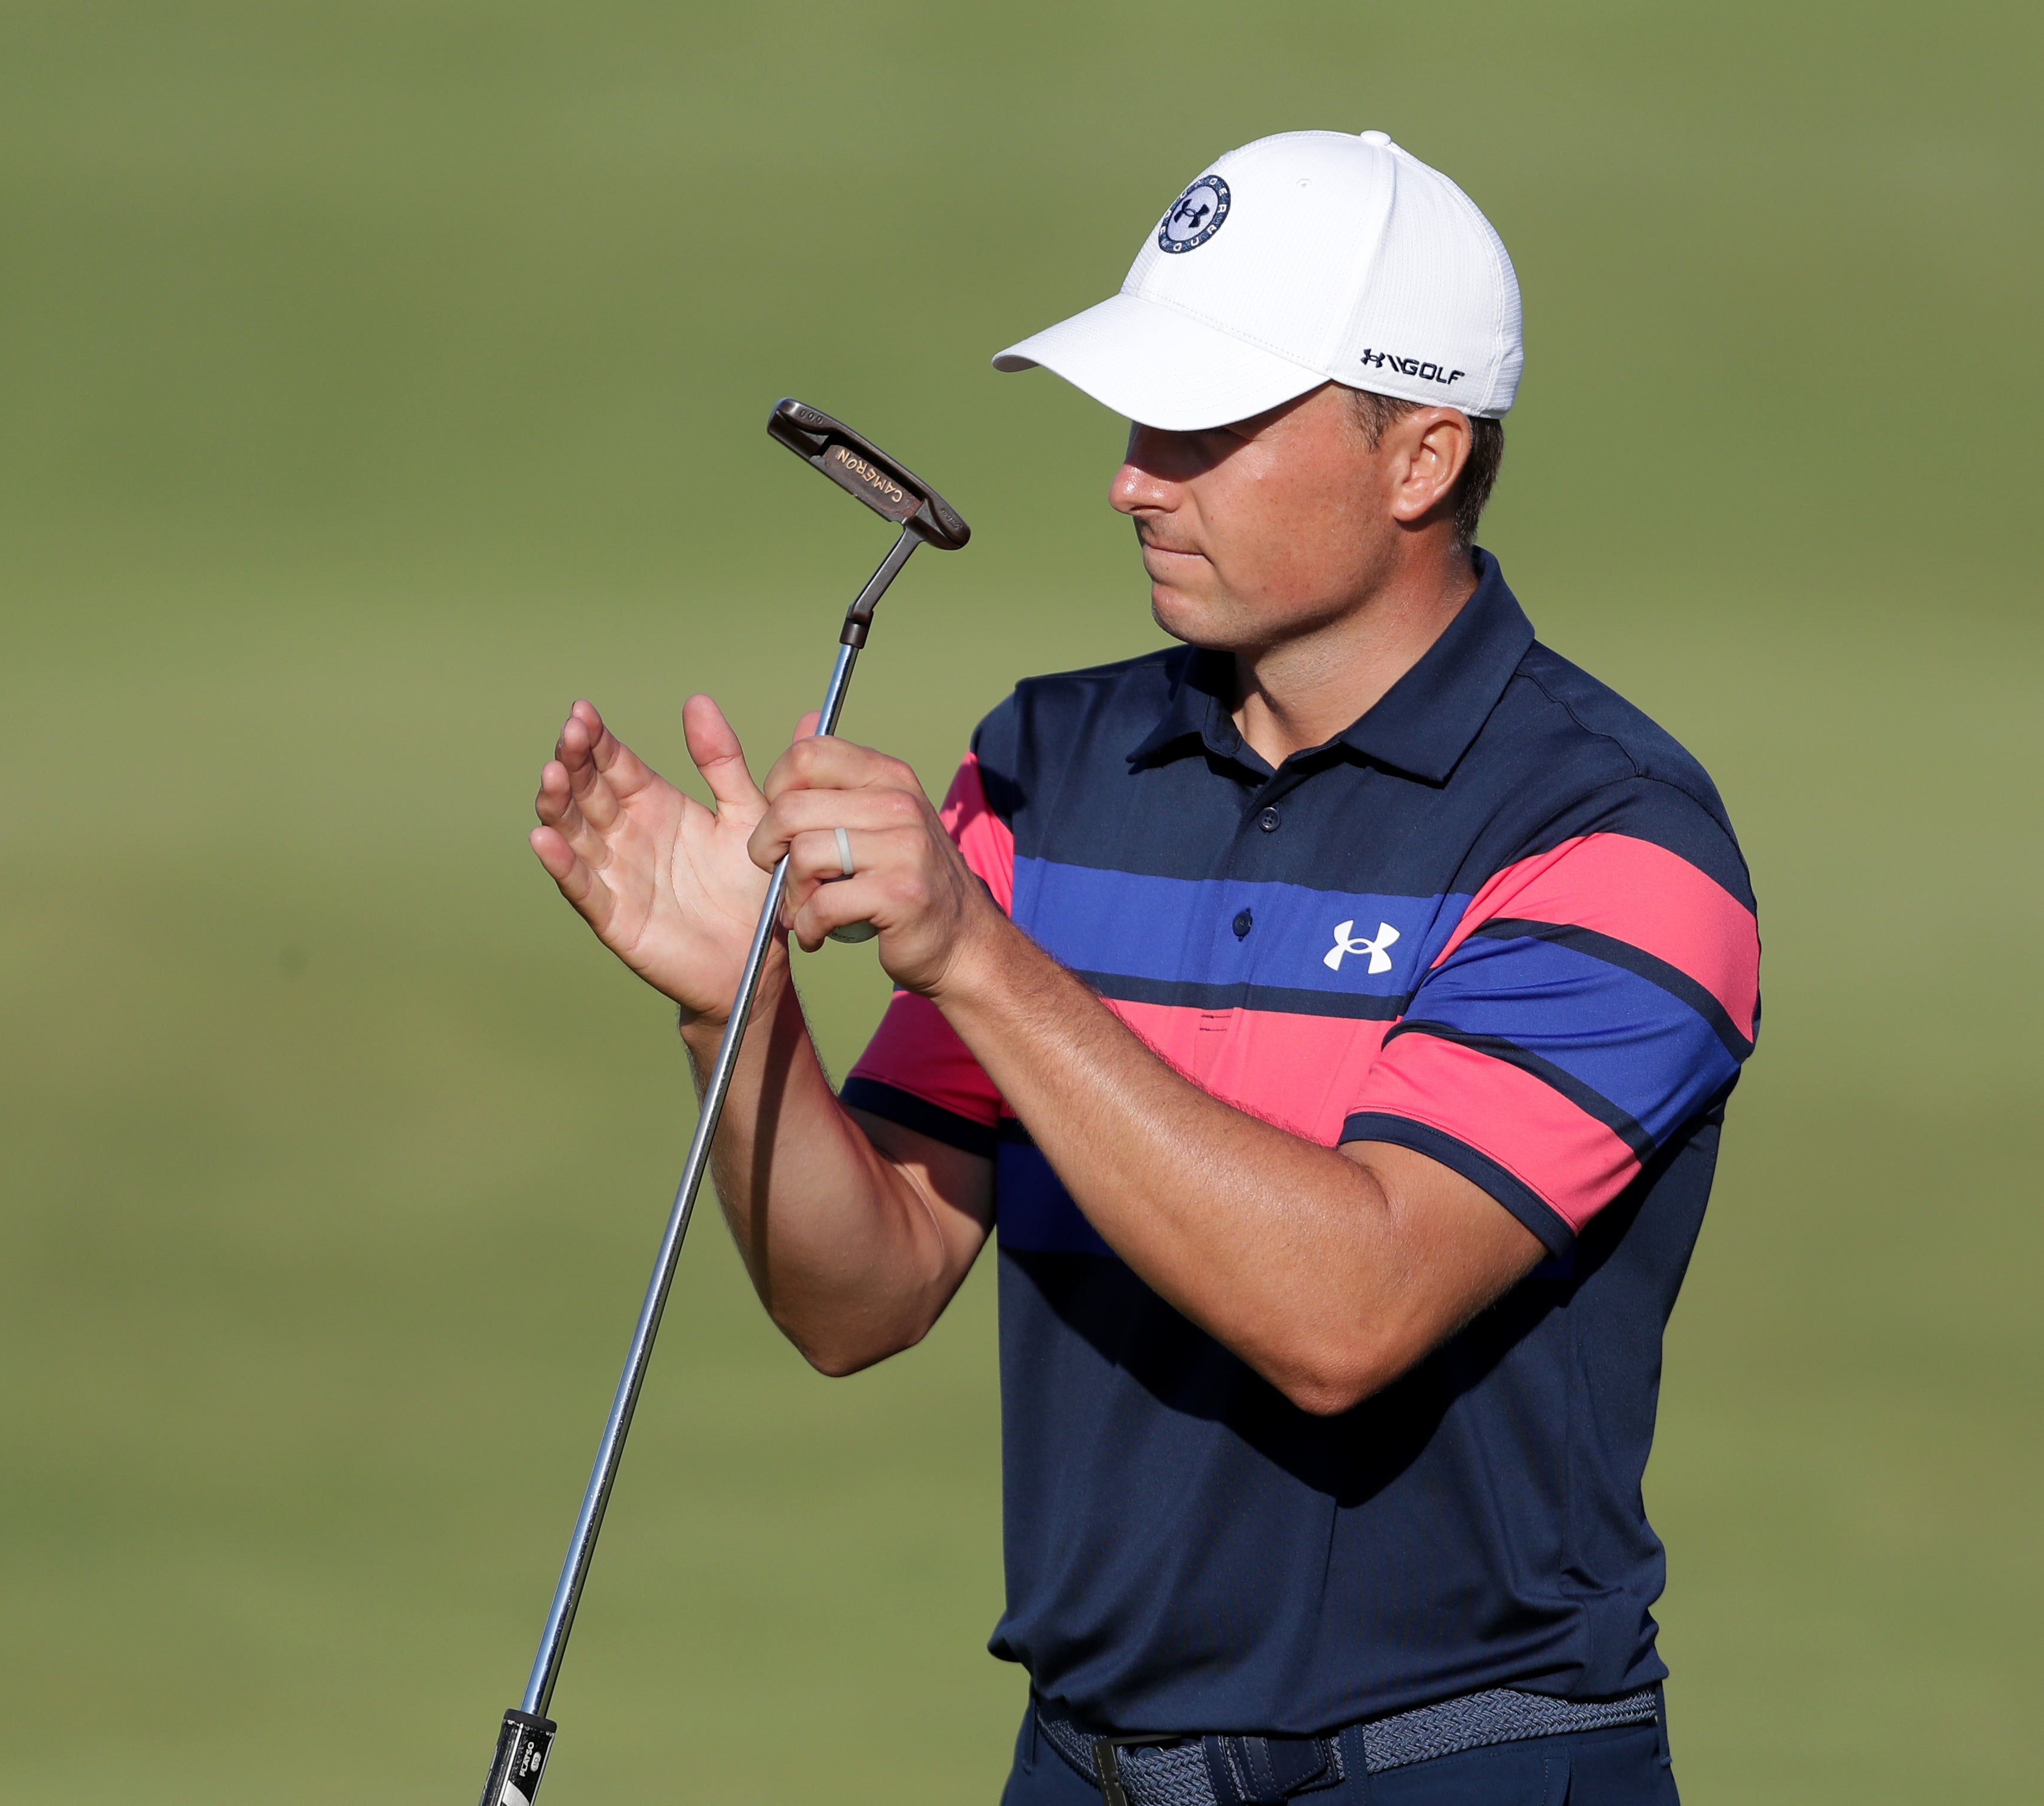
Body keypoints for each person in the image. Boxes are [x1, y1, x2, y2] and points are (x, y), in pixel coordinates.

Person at [529, 130, 1758, 1806]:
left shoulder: (1613, 847)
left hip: (1461, 1769)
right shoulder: (1050, 762)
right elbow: (861, 1294)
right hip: (1081, 1769)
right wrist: (727, 1015)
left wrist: (973, 952)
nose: (1129, 476)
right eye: (1134, 420)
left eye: (1206, 427)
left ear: (1420, 459)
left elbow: (1346, 1312)